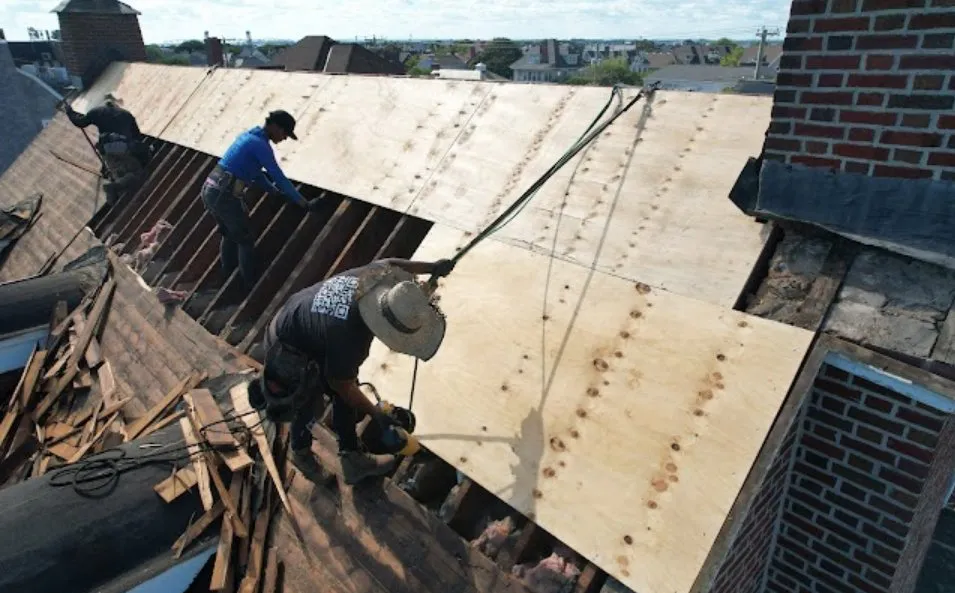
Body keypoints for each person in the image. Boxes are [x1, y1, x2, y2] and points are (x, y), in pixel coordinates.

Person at [248, 256, 455, 485]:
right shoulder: (351, 337)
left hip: (298, 319)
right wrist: (379, 416)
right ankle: (302, 453)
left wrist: (431, 267)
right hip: (289, 347)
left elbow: (394, 263)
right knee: (309, 401)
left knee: (345, 390)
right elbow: (341, 385)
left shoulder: (374, 278)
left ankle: (351, 458)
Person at [201, 110, 323, 292]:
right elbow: (278, 176)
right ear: (274, 126)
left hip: (211, 189)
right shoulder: (260, 146)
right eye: (284, 134)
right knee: (245, 239)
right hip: (224, 194)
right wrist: (303, 203)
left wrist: (273, 192)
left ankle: (227, 274)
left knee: (230, 234)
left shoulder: (248, 138)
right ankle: (247, 285)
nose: (284, 139)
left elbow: (256, 175)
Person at [62, 94, 150, 205]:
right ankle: (114, 187)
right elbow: (137, 137)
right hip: (123, 148)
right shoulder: (126, 115)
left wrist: (69, 111)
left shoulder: (96, 112)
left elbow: (80, 122)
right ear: (115, 104)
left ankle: (115, 192)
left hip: (106, 149)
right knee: (136, 172)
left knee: (117, 172)